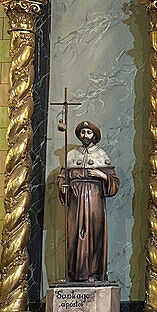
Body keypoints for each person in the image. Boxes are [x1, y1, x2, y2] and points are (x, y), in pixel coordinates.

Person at [58, 121, 119, 282]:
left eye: (88, 132)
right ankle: (75, 273)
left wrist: (102, 176)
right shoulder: (71, 154)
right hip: (76, 200)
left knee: (93, 234)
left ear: (94, 136)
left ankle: (92, 273)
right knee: (74, 235)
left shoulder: (101, 154)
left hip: (94, 200)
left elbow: (114, 181)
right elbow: (63, 176)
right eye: (83, 132)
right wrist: (63, 186)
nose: (85, 135)